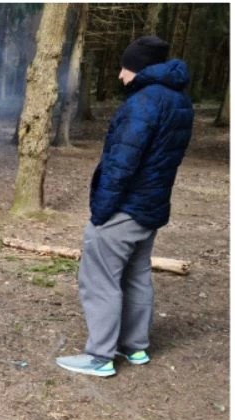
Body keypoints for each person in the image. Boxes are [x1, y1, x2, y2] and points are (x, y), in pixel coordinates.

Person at [56, 36, 193, 377]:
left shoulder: (143, 104)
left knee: (98, 278)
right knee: (136, 275)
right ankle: (136, 348)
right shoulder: (179, 100)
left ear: (141, 68)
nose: (120, 75)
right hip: (152, 206)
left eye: (125, 67)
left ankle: (100, 357)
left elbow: (121, 164)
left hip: (127, 208)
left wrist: (101, 213)